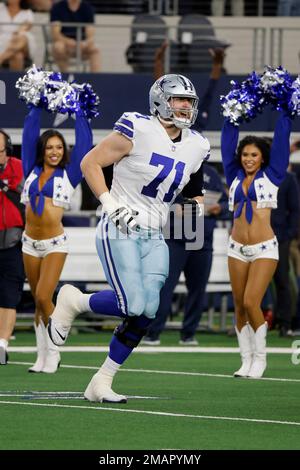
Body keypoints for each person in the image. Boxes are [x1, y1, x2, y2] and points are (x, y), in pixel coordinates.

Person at [48, 74, 210, 403]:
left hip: (155, 233)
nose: (185, 107)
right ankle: (73, 302)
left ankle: (102, 381)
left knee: (148, 311)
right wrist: (110, 205)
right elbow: (90, 163)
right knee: (131, 304)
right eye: (179, 100)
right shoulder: (137, 127)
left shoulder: (197, 145)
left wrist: (193, 210)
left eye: (189, 102)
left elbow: (194, 194)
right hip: (119, 225)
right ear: (161, 100)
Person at [21, 105, 92, 373]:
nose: (54, 151)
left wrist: (81, 112)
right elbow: (28, 136)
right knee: (39, 303)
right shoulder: (31, 169)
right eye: (50, 147)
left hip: (54, 244)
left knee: (42, 295)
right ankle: (41, 356)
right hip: (29, 243)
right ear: (42, 150)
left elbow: (84, 145)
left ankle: (54, 352)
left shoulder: (70, 174)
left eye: (59, 147)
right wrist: (35, 107)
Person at [221, 111, 292, 379]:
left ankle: (260, 358)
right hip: (236, 248)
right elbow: (228, 141)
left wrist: (284, 113)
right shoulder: (233, 175)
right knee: (239, 305)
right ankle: (245, 360)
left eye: (253, 155)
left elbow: (282, 140)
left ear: (263, 157)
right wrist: (232, 116)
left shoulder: (273, 175)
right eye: (245, 155)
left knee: (252, 301)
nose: (248, 159)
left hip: (264, 249)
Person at [143, 162, 228, 345]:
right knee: (164, 286)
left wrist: (220, 208)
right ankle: (153, 332)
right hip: (174, 237)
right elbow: (159, 200)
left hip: (202, 240)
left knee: (198, 289)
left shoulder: (212, 174)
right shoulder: (173, 167)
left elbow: (226, 203)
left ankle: (189, 333)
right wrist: (183, 209)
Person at [0, 130, 25, 365]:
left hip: (12, 240)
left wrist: (5, 186)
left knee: (9, 295)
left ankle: (2, 344)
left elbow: (23, 197)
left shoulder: (18, 166)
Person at [271, 165, 300, 337]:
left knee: (282, 280)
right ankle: (249, 324)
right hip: (254, 237)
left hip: (279, 238)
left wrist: (288, 234)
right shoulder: (254, 175)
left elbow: (295, 209)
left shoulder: (288, 178)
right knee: (251, 283)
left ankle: (285, 324)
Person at [50, 0, 100, 72]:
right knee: (58, 47)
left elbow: (90, 35)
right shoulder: (58, 7)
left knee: (95, 49)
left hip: (82, 45)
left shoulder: (87, 8)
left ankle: (96, 79)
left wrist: (85, 43)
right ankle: (66, 76)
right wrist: (68, 41)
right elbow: (55, 34)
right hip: (64, 43)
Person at [0, 0, 36, 71]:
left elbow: (26, 26)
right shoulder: (1, 8)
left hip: (19, 40)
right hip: (2, 40)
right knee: (18, 56)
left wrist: (17, 33)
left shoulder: (27, 12)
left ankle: (1, 58)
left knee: (22, 38)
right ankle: (13, 81)